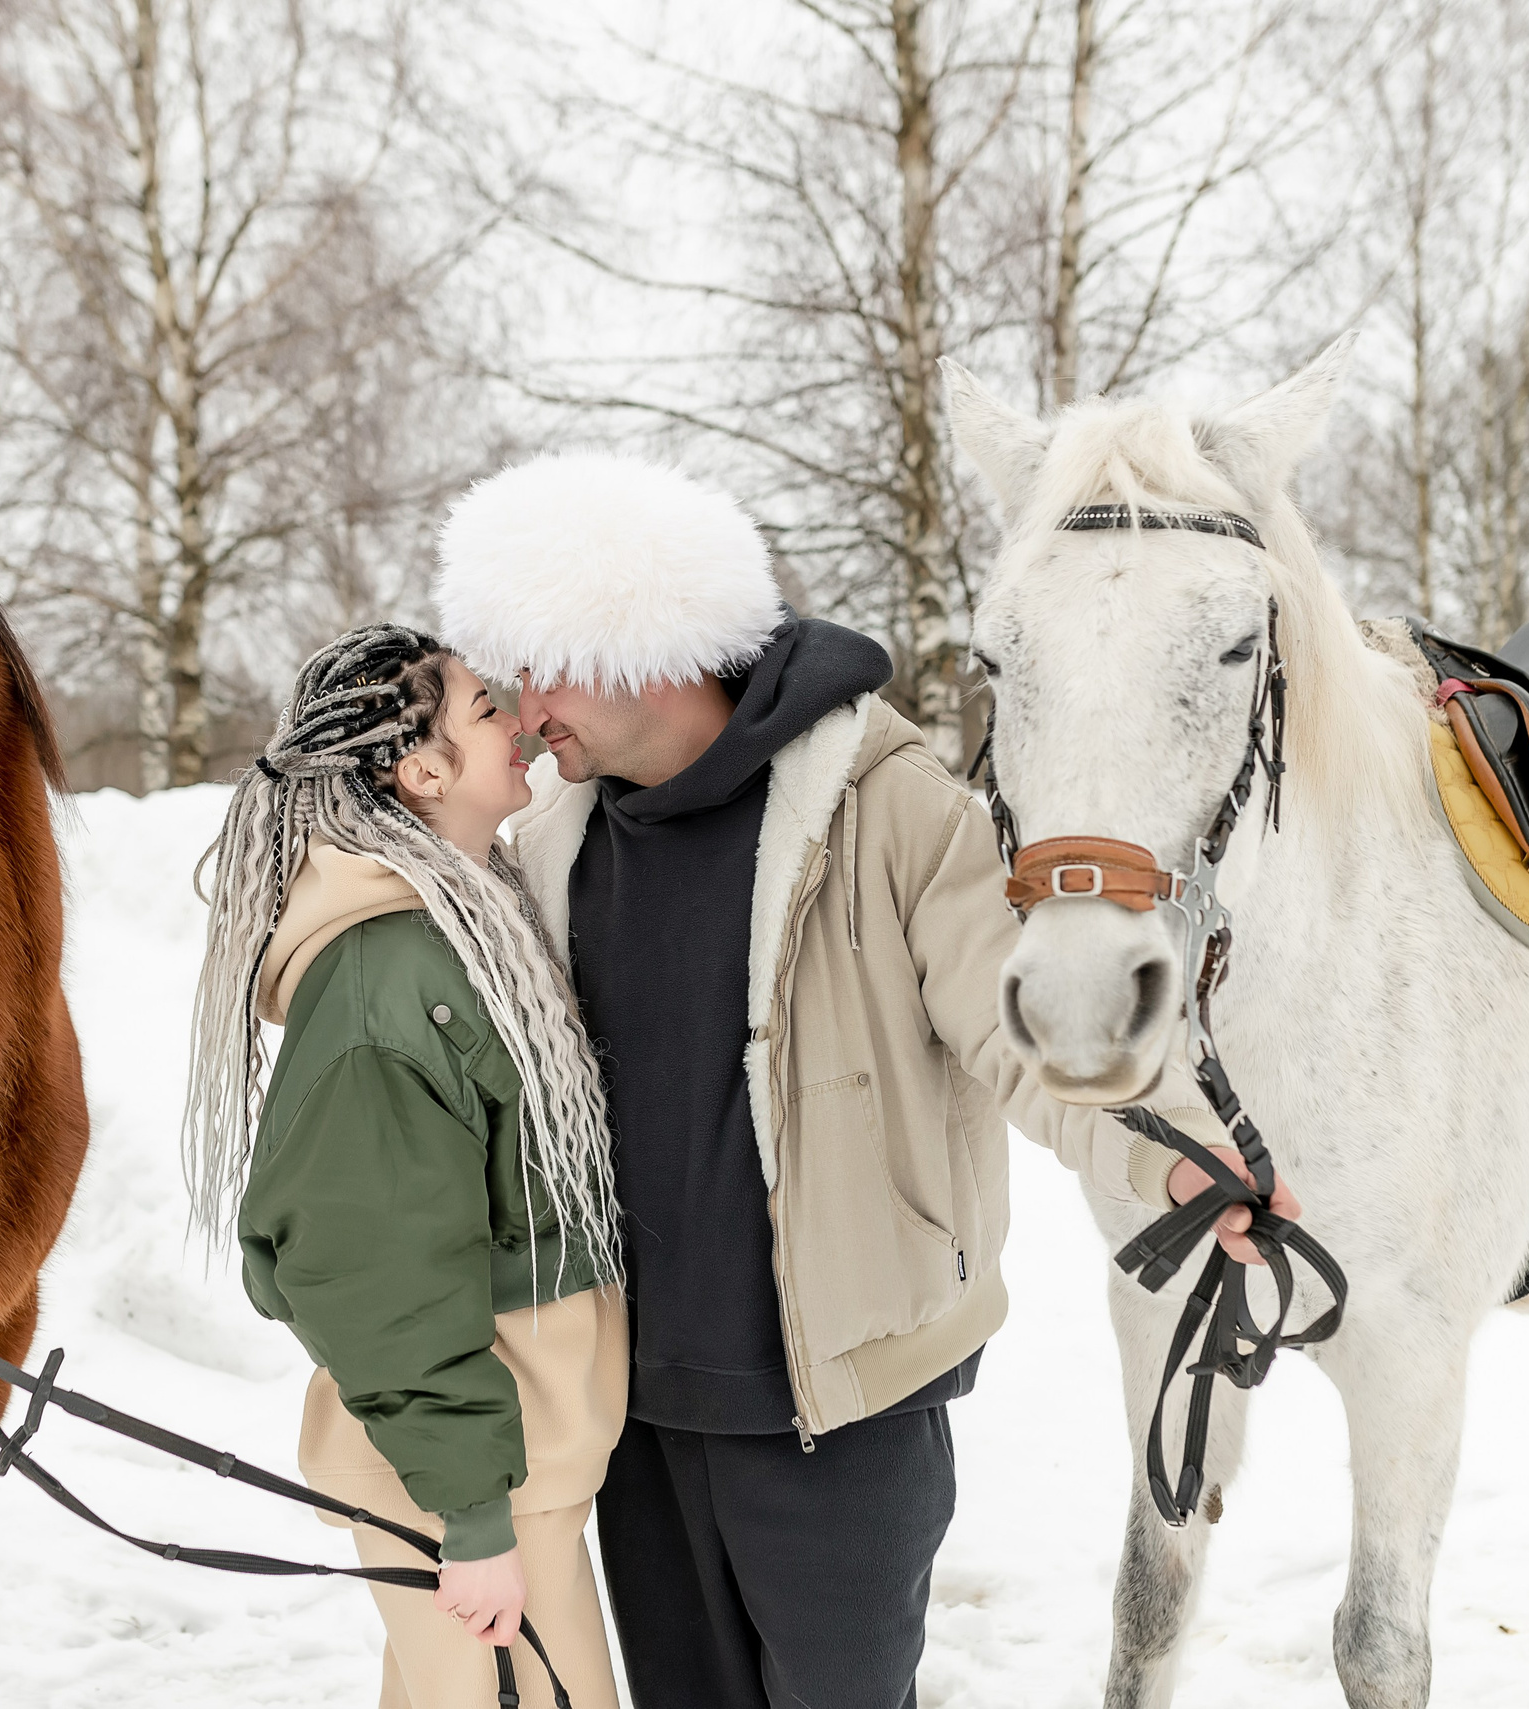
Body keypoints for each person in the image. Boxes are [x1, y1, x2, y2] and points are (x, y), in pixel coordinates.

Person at [431, 453, 1298, 1709]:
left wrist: (1171, 1155)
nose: (526, 710)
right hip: (628, 1404)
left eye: (544, 667)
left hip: (835, 1401)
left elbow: (1023, 1036)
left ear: (640, 647)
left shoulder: (886, 806)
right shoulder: (552, 836)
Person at [187, 624, 629, 1709]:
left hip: (498, 1466)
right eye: (486, 709)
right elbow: (370, 1265)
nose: (521, 717)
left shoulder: (467, 927)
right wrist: (471, 1520)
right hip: (465, 1484)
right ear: (420, 770)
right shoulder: (392, 974)